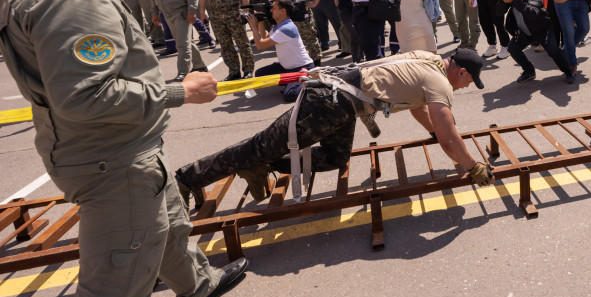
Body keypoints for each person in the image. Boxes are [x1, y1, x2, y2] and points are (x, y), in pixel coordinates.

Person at [0, 0, 247, 297]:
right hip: (114, 161)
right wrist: (182, 92)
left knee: (170, 222)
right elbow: (88, 97)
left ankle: (197, 284)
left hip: (113, 150)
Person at [174, 50, 495, 201]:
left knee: (335, 158)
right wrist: (473, 166)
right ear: (462, 73)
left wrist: (433, 132)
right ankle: (188, 177)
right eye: (470, 81)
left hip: (342, 100)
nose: (466, 87)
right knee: (259, 144)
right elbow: (451, 140)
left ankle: (261, 164)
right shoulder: (439, 82)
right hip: (328, 100)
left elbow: (419, 110)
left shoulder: (428, 57)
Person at [502, 0, 575, 83]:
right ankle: (529, 71)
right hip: (524, 31)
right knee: (513, 48)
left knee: (553, 50)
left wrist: (515, 0)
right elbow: (498, 12)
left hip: (542, 29)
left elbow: (533, 13)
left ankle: (568, 71)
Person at [151, 0, 208, 82]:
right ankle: (200, 65)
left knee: (182, 44)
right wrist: (154, 13)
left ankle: (183, 72)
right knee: (184, 41)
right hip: (166, 14)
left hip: (181, 13)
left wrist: (192, 11)